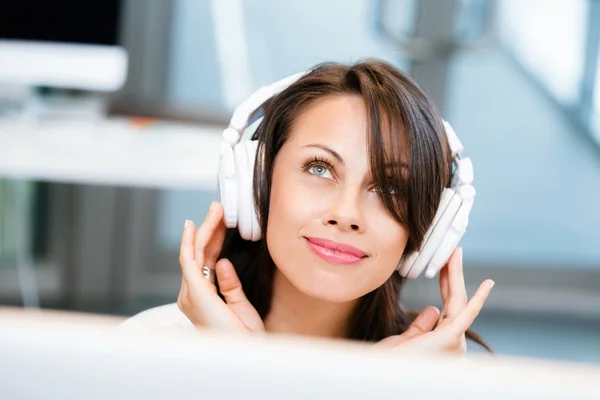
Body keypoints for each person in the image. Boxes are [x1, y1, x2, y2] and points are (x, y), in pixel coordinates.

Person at [160, 59, 494, 355]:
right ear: (258, 180)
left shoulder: (438, 379)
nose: (347, 214)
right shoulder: (146, 347)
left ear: (429, 228)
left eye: (390, 187)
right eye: (319, 168)